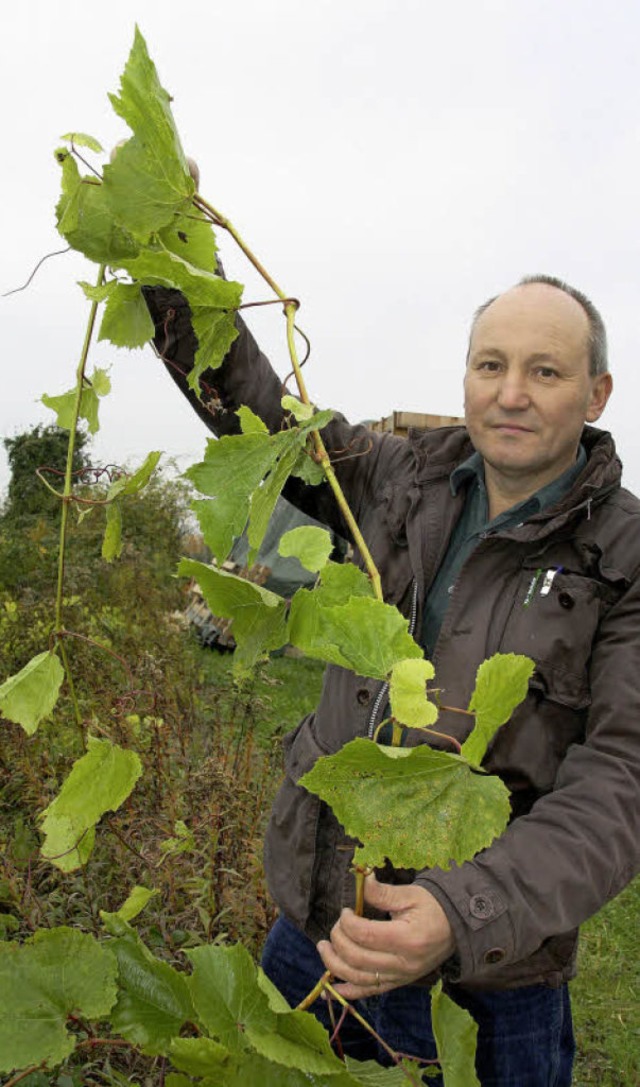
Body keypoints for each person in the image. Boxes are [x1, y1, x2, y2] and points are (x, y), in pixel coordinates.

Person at [144, 272, 640, 1086]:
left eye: (545, 372)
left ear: (597, 392)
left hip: (487, 985)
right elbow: (262, 414)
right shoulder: (395, 477)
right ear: (467, 377)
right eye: (491, 365)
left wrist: (462, 910)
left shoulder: (625, 557)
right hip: (317, 936)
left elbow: (622, 778)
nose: (511, 393)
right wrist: (170, 267)